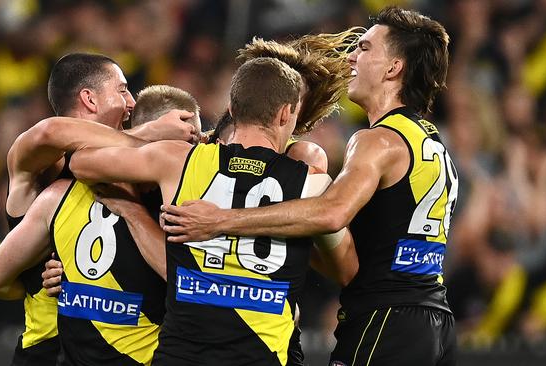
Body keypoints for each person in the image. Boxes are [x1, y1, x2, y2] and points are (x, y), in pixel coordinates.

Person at [161, 6, 458, 366]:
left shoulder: (376, 140)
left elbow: (332, 213)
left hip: (386, 317)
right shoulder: (431, 141)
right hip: (434, 320)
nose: (351, 56)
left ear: (394, 68)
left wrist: (220, 221)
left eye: (364, 49)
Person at [61, 57, 356, 366]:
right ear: (286, 114)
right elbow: (346, 270)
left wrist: (144, 136)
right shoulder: (310, 184)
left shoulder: (178, 160)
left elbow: (81, 162)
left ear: (231, 107)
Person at [0, 52, 197, 366]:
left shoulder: (142, 176)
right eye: (122, 90)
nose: (131, 103)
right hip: (49, 352)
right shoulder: (45, 169)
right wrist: (34, 285)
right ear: (90, 99)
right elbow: (48, 132)